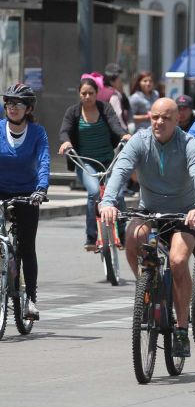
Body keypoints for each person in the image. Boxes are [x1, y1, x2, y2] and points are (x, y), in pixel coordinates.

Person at [100, 98, 195, 357]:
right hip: (149, 209)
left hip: (184, 213)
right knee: (132, 239)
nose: (159, 122)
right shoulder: (140, 140)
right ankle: (146, 292)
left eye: (166, 118)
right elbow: (121, 169)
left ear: (177, 120)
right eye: (155, 117)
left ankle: (182, 329)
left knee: (178, 260)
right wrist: (107, 201)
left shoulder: (188, 144)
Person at [58, 77, 131, 250]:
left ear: (97, 94)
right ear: (79, 94)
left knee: (118, 195)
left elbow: (115, 125)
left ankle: (122, 232)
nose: (87, 96)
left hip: (108, 161)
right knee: (94, 194)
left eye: (91, 93)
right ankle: (91, 238)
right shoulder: (73, 112)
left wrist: (124, 135)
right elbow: (64, 131)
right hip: (85, 162)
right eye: (84, 93)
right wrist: (66, 142)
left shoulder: (105, 108)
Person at [0, 84, 49, 320]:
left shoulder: (37, 133)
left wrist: (41, 189)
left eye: (18, 104)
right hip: (1, 190)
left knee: (27, 247)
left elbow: (43, 161)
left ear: (28, 108)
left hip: (28, 194)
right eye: (9, 103)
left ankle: (30, 299)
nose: (12, 108)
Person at [99, 63, 132, 131]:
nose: (120, 81)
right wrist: (125, 131)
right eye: (119, 78)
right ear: (112, 81)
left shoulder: (100, 92)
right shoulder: (114, 95)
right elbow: (118, 116)